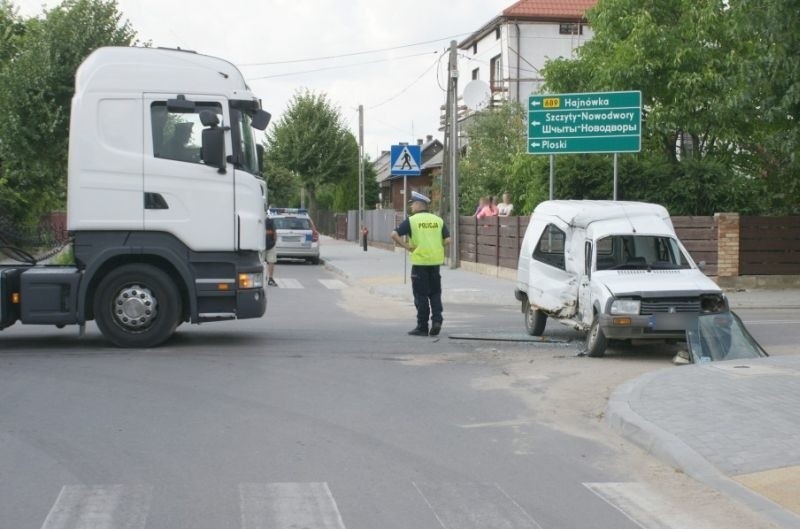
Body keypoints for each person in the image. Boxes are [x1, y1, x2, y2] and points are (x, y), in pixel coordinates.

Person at [391, 191, 451, 337]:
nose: (411, 207)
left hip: (419, 263)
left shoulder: (412, 220)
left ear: (419, 205)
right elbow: (448, 240)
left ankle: (422, 326)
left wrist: (407, 247)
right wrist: (438, 246)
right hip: (435, 263)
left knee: (421, 295)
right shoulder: (438, 220)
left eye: (412, 204)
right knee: (435, 293)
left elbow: (394, 234)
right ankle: (437, 320)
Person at [265, 216, 278, 286]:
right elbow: (275, 232)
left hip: (260, 245)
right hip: (271, 244)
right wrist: (274, 242)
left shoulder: (258, 220)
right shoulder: (271, 221)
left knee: (260, 262)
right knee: (271, 262)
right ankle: (270, 278)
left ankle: (262, 277)